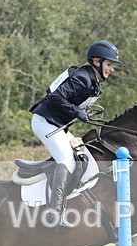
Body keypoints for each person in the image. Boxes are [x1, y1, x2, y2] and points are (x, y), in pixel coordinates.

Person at [29, 40, 121, 227]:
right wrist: (77, 112)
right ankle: (53, 213)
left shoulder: (92, 80)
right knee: (67, 160)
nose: (112, 69)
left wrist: (82, 112)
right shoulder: (83, 78)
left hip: (57, 125)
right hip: (45, 123)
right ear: (96, 61)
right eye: (109, 64)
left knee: (82, 155)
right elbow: (55, 96)